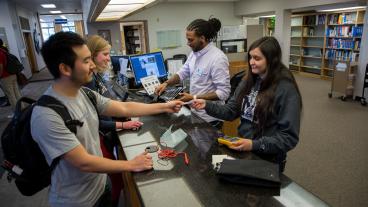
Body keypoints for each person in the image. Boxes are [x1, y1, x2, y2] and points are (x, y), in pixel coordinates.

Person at [31, 31, 183, 207]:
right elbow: (83, 163)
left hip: (101, 186)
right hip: (76, 201)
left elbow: (124, 107)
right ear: (65, 68)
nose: (93, 66)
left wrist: (165, 106)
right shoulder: (46, 115)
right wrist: (131, 164)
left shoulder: (84, 93)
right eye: (86, 61)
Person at [191, 37, 302, 172]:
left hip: (268, 158)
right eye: (250, 57)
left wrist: (254, 145)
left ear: (272, 60)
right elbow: (231, 111)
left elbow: (289, 137)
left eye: (257, 58)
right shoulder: (249, 80)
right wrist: (206, 105)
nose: (251, 63)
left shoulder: (286, 89)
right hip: (246, 150)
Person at [85, 35, 142, 206]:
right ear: (93, 55)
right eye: (105, 54)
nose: (109, 58)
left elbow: (107, 104)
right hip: (100, 138)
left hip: (106, 135)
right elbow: (94, 121)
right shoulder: (88, 84)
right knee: (116, 179)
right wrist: (123, 124)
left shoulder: (97, 77)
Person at [155, 18, 230, 130]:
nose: (188, 43)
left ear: (202, 38)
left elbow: (224, 93)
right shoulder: (194, 54)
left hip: (211, 118)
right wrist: (166, 83)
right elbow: (182, 72)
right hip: (196, 114)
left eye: (190, 40)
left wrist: (193, 97)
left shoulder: (218, 58)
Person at [0, 39, 22, 118]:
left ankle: (16, 113)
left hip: (5, 78)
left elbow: (1, 67)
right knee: (17, 93)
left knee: (11, 96)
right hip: (13, 75)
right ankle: (22, 109)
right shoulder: (5, 51)